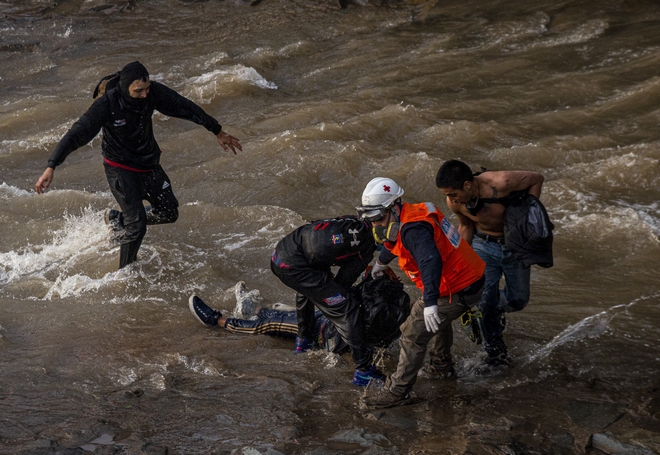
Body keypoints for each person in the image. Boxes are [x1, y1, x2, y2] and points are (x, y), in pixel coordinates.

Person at [34, 61, 242, 269]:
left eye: (147, 89)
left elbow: (185, 107)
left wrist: (217, 131)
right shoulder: (107, 104)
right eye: (138, 91)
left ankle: (117, 219)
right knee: (137, 226)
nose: (145, 95)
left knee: (169, 212)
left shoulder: (152, 94)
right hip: (120, 169)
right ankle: (125, 273)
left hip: (148, 165)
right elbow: (76, 135)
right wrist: (52, 165)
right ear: (125, 88)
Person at [357, 177, 486, 409]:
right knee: (437, 322)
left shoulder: (413, 230)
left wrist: (430, 302)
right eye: (370, 218)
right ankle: (441, 368)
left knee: (412, 333)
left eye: (378, 217)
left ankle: (398, 391)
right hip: (470, 278)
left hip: (456, 286)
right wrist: (382, 263)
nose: (375, 224)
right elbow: (393, 241)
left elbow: (430, 261)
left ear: (394, 207)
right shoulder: (409, 214)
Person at [435, 159, 545, 366]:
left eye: (452, 194)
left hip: (515, 246)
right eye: (447, 195)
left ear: (467, 185)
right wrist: (456, 262)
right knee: (485, 301)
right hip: (483, 245)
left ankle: (496, 308)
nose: (451, 200)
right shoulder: (456, 202)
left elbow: (537, 179)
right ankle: (496, 352)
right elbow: (466, 226)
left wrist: (530, 214)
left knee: (518, 300)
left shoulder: (502, 182)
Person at [269, 215, 383, 386]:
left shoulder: (350, 221)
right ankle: (364, 372)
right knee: (347, 308)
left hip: (281, 253)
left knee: (307, 289)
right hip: (296, 266)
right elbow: (343, 282)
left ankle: (303, 342)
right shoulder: (366, 247)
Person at [188, 274, 410, 355]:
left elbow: (353, 298)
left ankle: (216, 320)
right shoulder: (394, 312)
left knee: (268, 325)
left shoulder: (373, 310)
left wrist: (372, 276)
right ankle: (252, 308)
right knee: (284, 313)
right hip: (329, 325)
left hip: (320, 330)